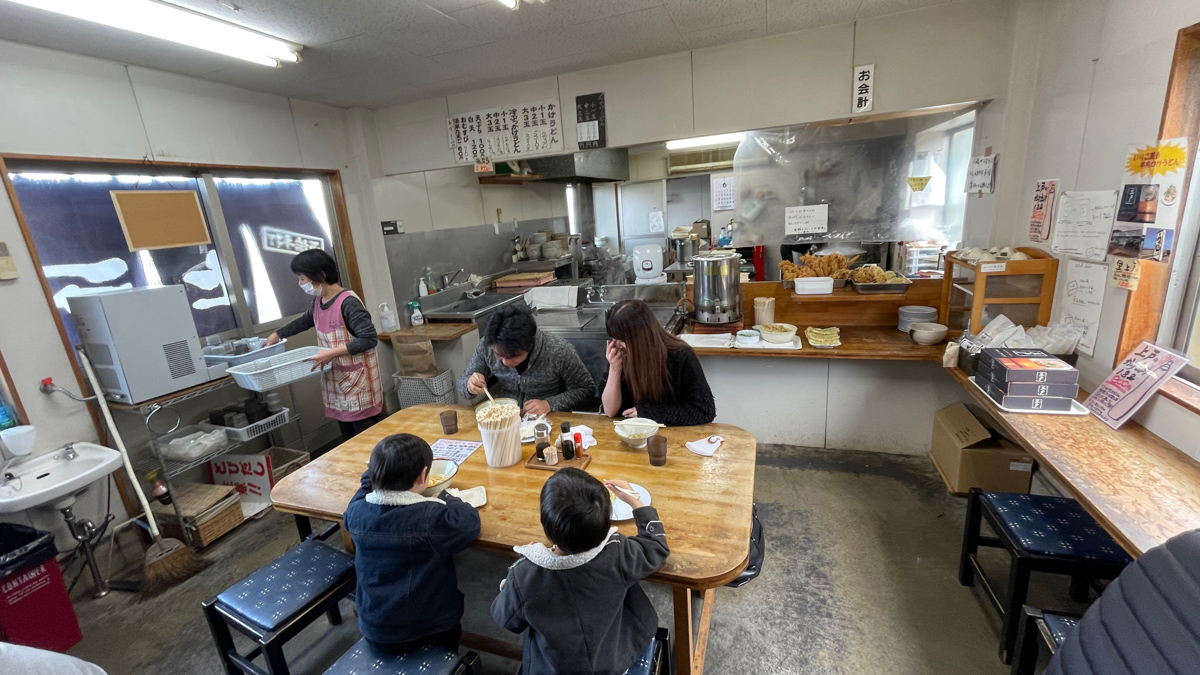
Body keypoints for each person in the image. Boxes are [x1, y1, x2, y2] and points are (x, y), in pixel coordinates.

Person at [490, 468, 669, 675]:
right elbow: (656, 546)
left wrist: (522, 566)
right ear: (604, 524)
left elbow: (505, 618)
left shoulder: (524, 576)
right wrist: (635, 501)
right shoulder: (618, 552)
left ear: (546, 525)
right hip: (617, 658)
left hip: (555, 669)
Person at [343, 434, 481, 656]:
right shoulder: (428, 517)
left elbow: (357, 501)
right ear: (424, 475)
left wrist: (372, 478)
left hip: (374, 627)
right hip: (430, 630)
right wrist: (446, 497)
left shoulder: (357, 513)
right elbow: (469, 523)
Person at [266, 249, 384, 439]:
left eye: (302, 278)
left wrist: (332, 353)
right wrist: (278, 334)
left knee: (367, 438)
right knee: (348, 439)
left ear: (319, 275)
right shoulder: (319, 301)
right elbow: (305, 321)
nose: (300, 284)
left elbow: (369, 339)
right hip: (338, 383)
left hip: (359, 385)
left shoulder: (348, 303)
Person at [457, 305, 595, 416]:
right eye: (499, 355)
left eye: (513, 357)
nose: (505, 363)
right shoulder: (486, 345)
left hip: (549, 419)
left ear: (530, 345)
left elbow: (586, 388)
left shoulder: (558, 350)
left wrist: (549, 404)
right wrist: (469, 386)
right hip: (507, 418)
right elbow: (462, 383)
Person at [601, 299, 717, 425]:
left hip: (673, 437)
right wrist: (614, 369)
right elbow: (610, 411)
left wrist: (649, 414)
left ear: (640, 337)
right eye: (613, 338)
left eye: (621, 339)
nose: (616, 345)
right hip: (632, 436)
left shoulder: (680, 356)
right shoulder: (620, 356)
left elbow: (704, 410)